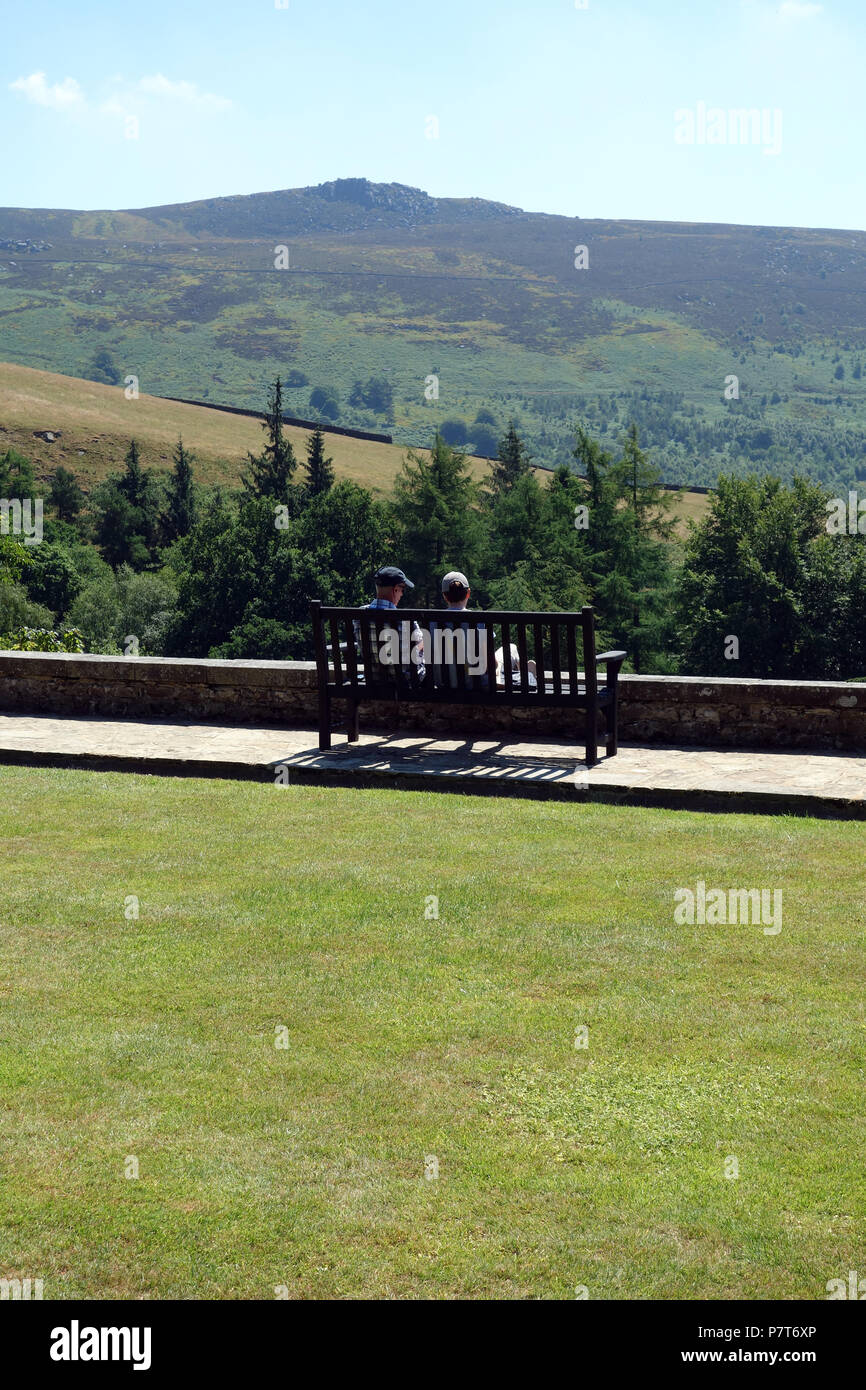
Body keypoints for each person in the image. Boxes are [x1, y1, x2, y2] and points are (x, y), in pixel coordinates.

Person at [355, 566, 425, 683]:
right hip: (405, 682)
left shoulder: (359, 616)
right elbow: (418, 649)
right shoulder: (407, 620)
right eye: (402, 590)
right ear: (395, 589)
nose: (402, 594)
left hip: (374, 680)